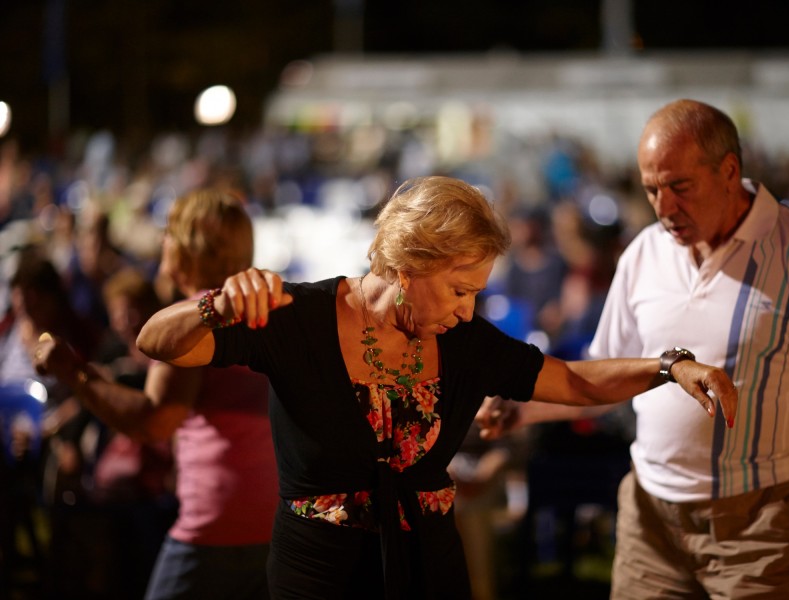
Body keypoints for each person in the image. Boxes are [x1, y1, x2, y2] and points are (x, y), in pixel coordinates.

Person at [134, 175, 738, 599]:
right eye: (458, 288)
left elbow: (574, 381)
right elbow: (156, 340)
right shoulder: (299, 316)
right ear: (406, 264)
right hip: (318, 574)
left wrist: (669, 365)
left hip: (428, 567)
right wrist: (214, 306)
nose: (468, 307)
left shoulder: (464, 341)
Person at [477, 99, 789, 599]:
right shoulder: (643, 253)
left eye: (680, 186)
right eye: (651, 188)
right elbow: (608, 378)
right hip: (651, 517)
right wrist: (524, 411)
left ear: (729, 171)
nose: (664, 206)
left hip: (767, 524)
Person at [33, 188, 278, 600]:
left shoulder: (192, 321)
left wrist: (73, 372)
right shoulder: (257, 312)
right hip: (272, 521)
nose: (162, 241)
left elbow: (152, 421)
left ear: (189, 246)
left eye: (169, 231)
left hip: (216, 521)